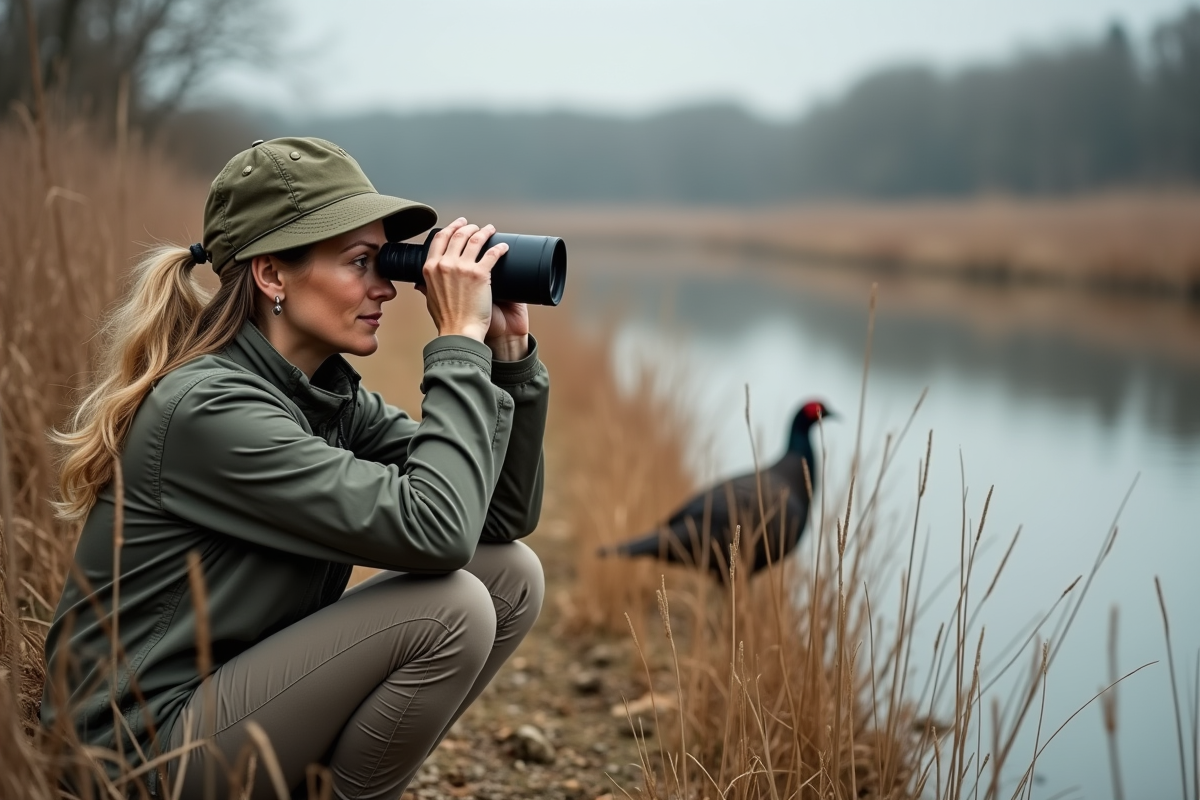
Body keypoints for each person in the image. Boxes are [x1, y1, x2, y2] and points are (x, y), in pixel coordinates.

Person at [40, 136, 548, 800]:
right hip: (132, 755)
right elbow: (437, 533)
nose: (385, 288)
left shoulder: (321, 394)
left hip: (225, 709)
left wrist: (508, 356)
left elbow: (496, 519)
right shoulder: (208, 409)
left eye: (386, 262)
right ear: (272, 275)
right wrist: (455, 345)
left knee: (509, 575)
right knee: (449, 608)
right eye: (361, 262)